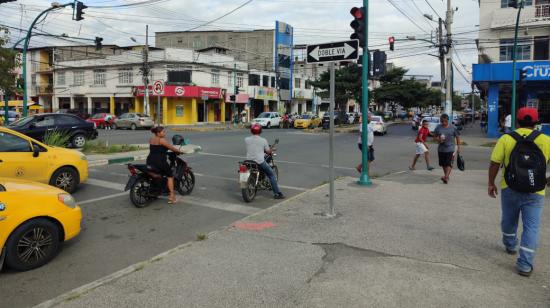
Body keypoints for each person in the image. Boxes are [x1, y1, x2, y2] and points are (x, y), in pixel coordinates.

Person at [488, 108, 550, 277]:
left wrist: (490, 183)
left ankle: (510, 244)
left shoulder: (506, 139)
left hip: (510, 187)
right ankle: (524, 264)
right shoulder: (546, 140)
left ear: (517, 121)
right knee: (532, 227)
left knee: (508, 220)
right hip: (536, 190)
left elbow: (495, 162)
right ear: (537, 122)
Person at [245, 123, 285, 199]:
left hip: (248, 161)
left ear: (251, 131)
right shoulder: (263, 140)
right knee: (271, 175)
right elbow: (268, 151)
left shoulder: (246, 139)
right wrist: (270, 150)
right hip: (259, 162)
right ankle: (277, 194)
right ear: (260, 131)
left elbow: (254, 146)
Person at [147, 126, 182, 204]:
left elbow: (156, 149)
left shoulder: (151, 139)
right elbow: (171, 148)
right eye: (163, 132)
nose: (165, 133)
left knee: (157, 174)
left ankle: (158, 189)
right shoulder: (162, 140)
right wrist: (179, 151)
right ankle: (172, 197)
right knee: (170, 176)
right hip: (160, 161)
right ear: (158, 133)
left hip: (150, 160)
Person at [434, 114, 461, 184]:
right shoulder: (438, 127)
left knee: (449, 163)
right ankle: (447, 176)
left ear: (448, 120)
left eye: (445, 121)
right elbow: (435, 137)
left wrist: (458, 147)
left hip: (451, 148)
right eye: (442, 121)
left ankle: (446, 177)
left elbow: (458, 137)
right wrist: (439, 139)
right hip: (441, 149)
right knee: (443, 164)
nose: (443, 123)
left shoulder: (453, 128)